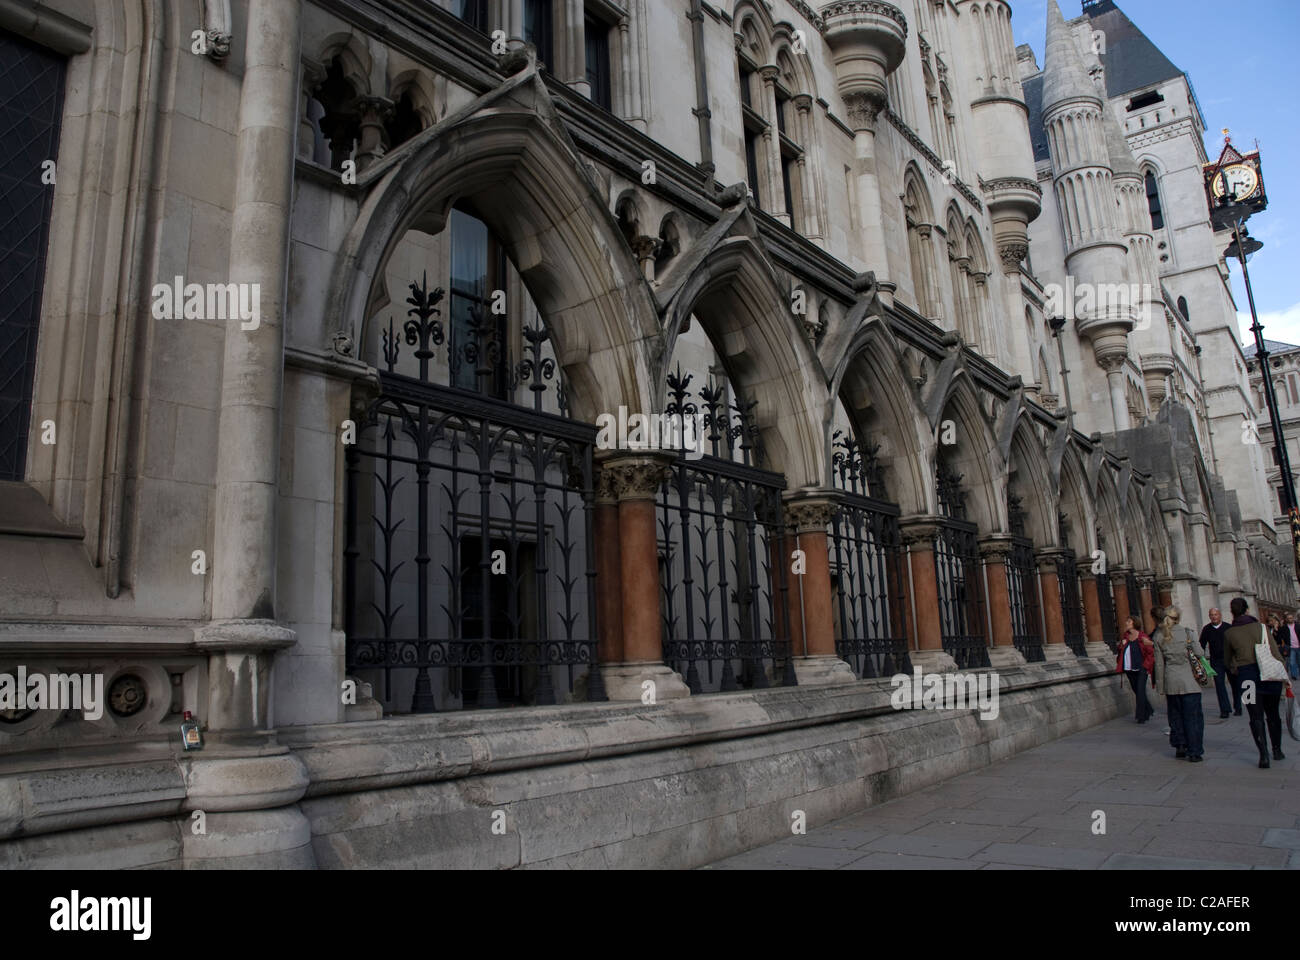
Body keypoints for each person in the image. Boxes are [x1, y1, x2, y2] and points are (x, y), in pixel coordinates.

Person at [1223, 597, 1287, 768]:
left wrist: (1236, 668)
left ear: (1232, 612)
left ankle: (1263, 755)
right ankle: (1277, 750)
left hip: (1246, 678)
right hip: (1269, 677)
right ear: (1247, 610)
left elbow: (1227, 660)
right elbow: (1275, 652)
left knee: (1255, 716)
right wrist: (1285, 676)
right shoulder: (1262, 627)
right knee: (1273, 714)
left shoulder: (1229, 633)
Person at [1153, 607, 1205, 762]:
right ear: (1178, 618)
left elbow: (1159, 665)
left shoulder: (1158, 636)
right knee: (1193, 717)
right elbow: (1200, 653)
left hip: (1171, 681)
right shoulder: (1189, 633)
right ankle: (1195, 751)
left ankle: (1180, 745)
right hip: (1189, 681)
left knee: (1176, 716)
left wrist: (1160, 687)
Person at [1116, 616, 1154, 724]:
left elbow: (1150, 653)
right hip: (1129, 668)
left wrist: (1146, 666)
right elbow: (1121, 651)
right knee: (1137, 691)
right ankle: (1149, 710)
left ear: (1134, 624)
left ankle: (1141, 716)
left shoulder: (1142, 637)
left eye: (1128, 621)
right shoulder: (1126, 636)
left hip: (1141, 668)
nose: (1126, 623)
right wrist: (1121, 645)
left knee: (1140, 690)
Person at [1199, 607, 1233, 718]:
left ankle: (1238, 706)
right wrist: (1199, 658)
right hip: (1216, 661)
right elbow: (1201, 645)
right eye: (1211, 615)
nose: (1214, 617)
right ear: (1209, 616)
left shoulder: (1228, 627)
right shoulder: (1207, 629)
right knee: (1219, 685)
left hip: (1229, 660)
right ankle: (1225, 709)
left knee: (1235, 683)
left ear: (1220, 615)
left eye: (1216, 614)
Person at [1275, 611, 1300, 681]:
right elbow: (1279, 637)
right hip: (1290, 647)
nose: (1290, 619)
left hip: (1298, 646)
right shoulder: (1284, 628)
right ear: (1286, 619)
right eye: (1289, 618)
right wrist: (1276, 629)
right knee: (1292, 662)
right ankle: (1294, 675)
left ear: (1293, 618)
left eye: (1291, 618)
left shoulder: (1298, 626)